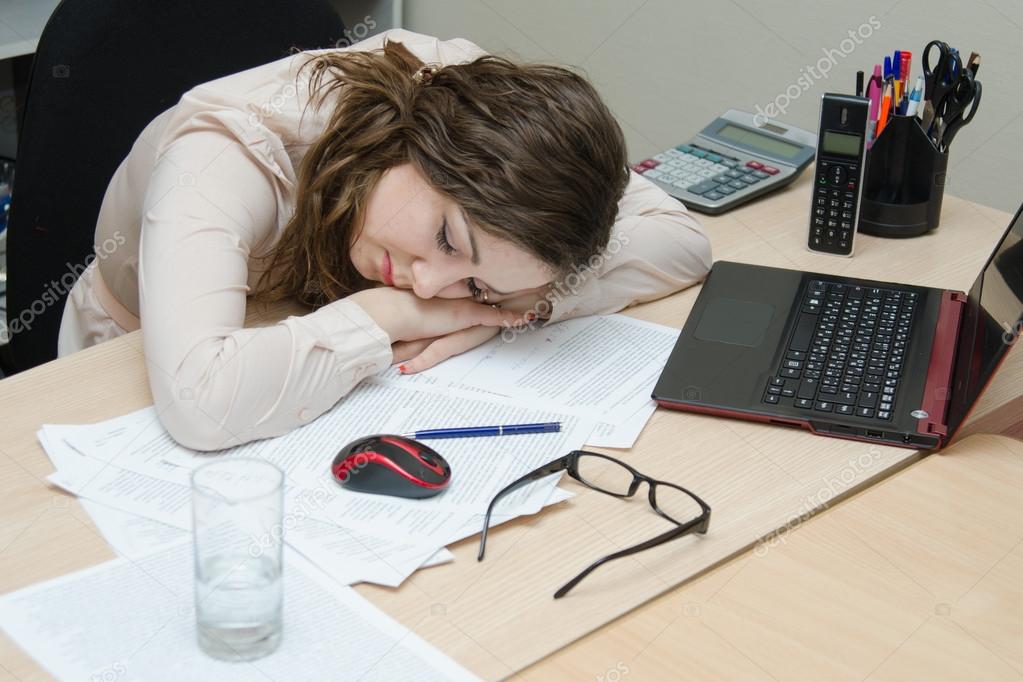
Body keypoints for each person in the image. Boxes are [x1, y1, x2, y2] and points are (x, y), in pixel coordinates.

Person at [57, 29, 711, 451]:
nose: (430, 286)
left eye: (474, 284)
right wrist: (389, 313)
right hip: (132, 364)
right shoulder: (227, 154)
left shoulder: (493, 118)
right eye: (448, 241)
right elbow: (202, 402)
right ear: (418, 145)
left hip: (312, 368)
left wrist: (518, 308)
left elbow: (681, 242)